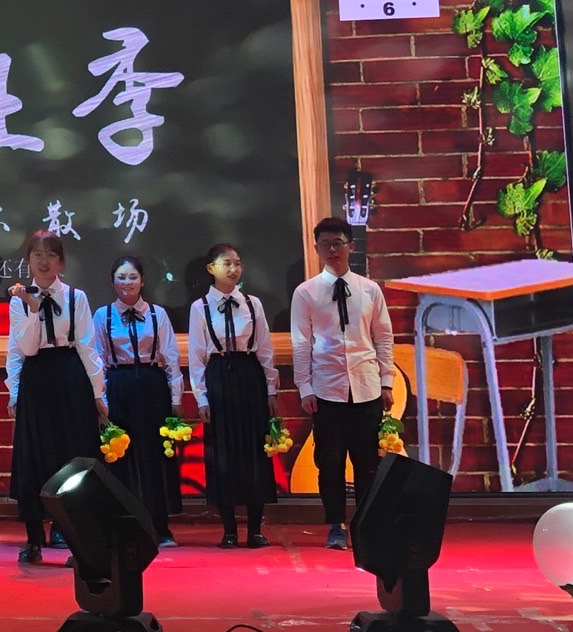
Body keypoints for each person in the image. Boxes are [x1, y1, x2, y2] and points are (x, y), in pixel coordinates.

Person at [291, 217, 395, 550]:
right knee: (330, 462)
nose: (332, 250)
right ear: (317, 248)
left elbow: (383, 337)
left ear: (350, 245)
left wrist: (387, 381)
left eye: (338, 243)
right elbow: (300, 343)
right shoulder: (306, 292)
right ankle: (335, 525)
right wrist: (305, 387)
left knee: (368, 463)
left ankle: (365, 524)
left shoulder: (369, 290)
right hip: (326, 390)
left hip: (366, 387)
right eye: (325, 244)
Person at [6, 230, 108, 564]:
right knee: (35, 456)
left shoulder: (77, 297)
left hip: (70, 376)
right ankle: (33, 539)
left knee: (73, 457)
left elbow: (88, 347)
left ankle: (75, 538)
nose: (44, 261)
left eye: (51, 255)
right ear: (28, 261)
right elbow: (23, 349)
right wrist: (33, 309)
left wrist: (98, 393)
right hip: (36, 378)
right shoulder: (19, 300)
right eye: (37, 255)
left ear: (61, 262)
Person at [187, 243, 279, 549]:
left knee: (254, 451)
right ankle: (228, 530)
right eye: (226, 263)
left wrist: (271, 388)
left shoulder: (253, 304)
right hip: (218, 377)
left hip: (249, 376)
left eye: (237, 263)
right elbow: (197, 357)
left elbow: (265, 349)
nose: (234, 269)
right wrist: (201, 398)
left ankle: (255, 530)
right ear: (211, 268)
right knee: (222, 453)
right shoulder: (200, 307)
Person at [95, 256, 183, 547]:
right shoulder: (103, 315)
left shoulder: (158, 314)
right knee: (121, 456)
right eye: (121, 277)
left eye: (132, 277)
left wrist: (176, 396)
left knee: (155, 455)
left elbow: (171, 357)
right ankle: (125, 525)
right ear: (112, 282)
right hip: (118, 385)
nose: (127, 283)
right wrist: (101, 400)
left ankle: (161, 526)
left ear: (142, 281)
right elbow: (98, 360)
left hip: (151, 385)